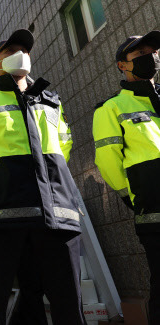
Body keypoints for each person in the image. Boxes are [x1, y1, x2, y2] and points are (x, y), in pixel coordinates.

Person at [0, 29, 86, 325]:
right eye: (10, 51)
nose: (20, 55)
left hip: (57, 212)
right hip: (3, 213)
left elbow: (64, 144)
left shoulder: (52, 99)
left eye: (24, 50)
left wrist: (52, 184)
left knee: (68, 296)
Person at [92, 30, 160, 324]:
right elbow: (108, 161)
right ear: (123, 65)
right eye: (140, 54)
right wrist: (130, 196)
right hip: (153, 208)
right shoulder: (112, 108)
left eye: (153, 52)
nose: (150, 58)